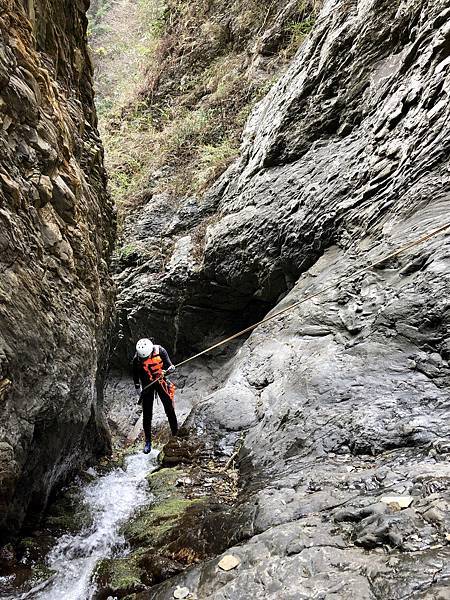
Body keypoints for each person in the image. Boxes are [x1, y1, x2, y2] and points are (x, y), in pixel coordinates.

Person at [133, 338, 178, 453]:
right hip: (147, 385)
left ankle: (176, 435)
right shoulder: (137, 359)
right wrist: (139, 390)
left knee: (169, 408)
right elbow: (136, 377)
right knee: (147, 414)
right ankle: (148, 441)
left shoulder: (160, 351)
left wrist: (169, 370)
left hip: (160, 382)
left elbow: (169, 366)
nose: (145, 359)